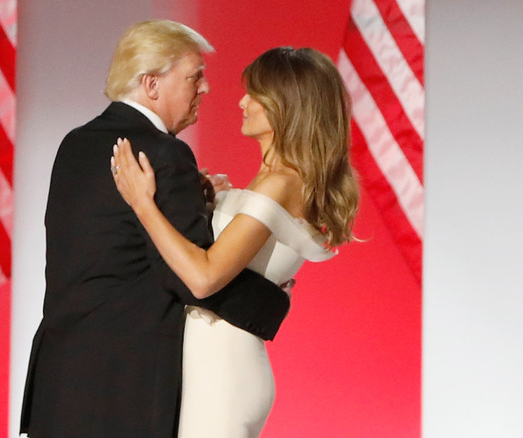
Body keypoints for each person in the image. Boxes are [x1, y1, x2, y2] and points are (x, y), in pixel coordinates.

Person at [19, 20, 289, 438]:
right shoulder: (165, 153)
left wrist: (193, 198)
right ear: (151, 84)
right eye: (195, 76)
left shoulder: (75, 143)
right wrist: (272, 299)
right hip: (124, 386)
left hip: (59, 381)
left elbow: (110, 249)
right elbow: (189, 276)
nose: (205, 88)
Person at [111, 46, 360, 438]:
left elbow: (204, 277)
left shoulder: (281, 184)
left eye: (255, 95)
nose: (242, 102)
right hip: (220, 366)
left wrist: (143, 203)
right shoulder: (274, 181)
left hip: (223, 374)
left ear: (284, 105)